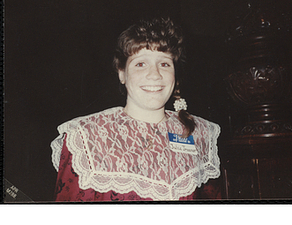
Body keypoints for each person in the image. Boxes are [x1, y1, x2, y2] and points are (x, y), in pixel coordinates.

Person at [50, 17, 221, 201]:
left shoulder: (202, 134)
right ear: (122, 73)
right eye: (140, 64)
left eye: (164, 64)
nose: (155, 75)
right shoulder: (85, 137)